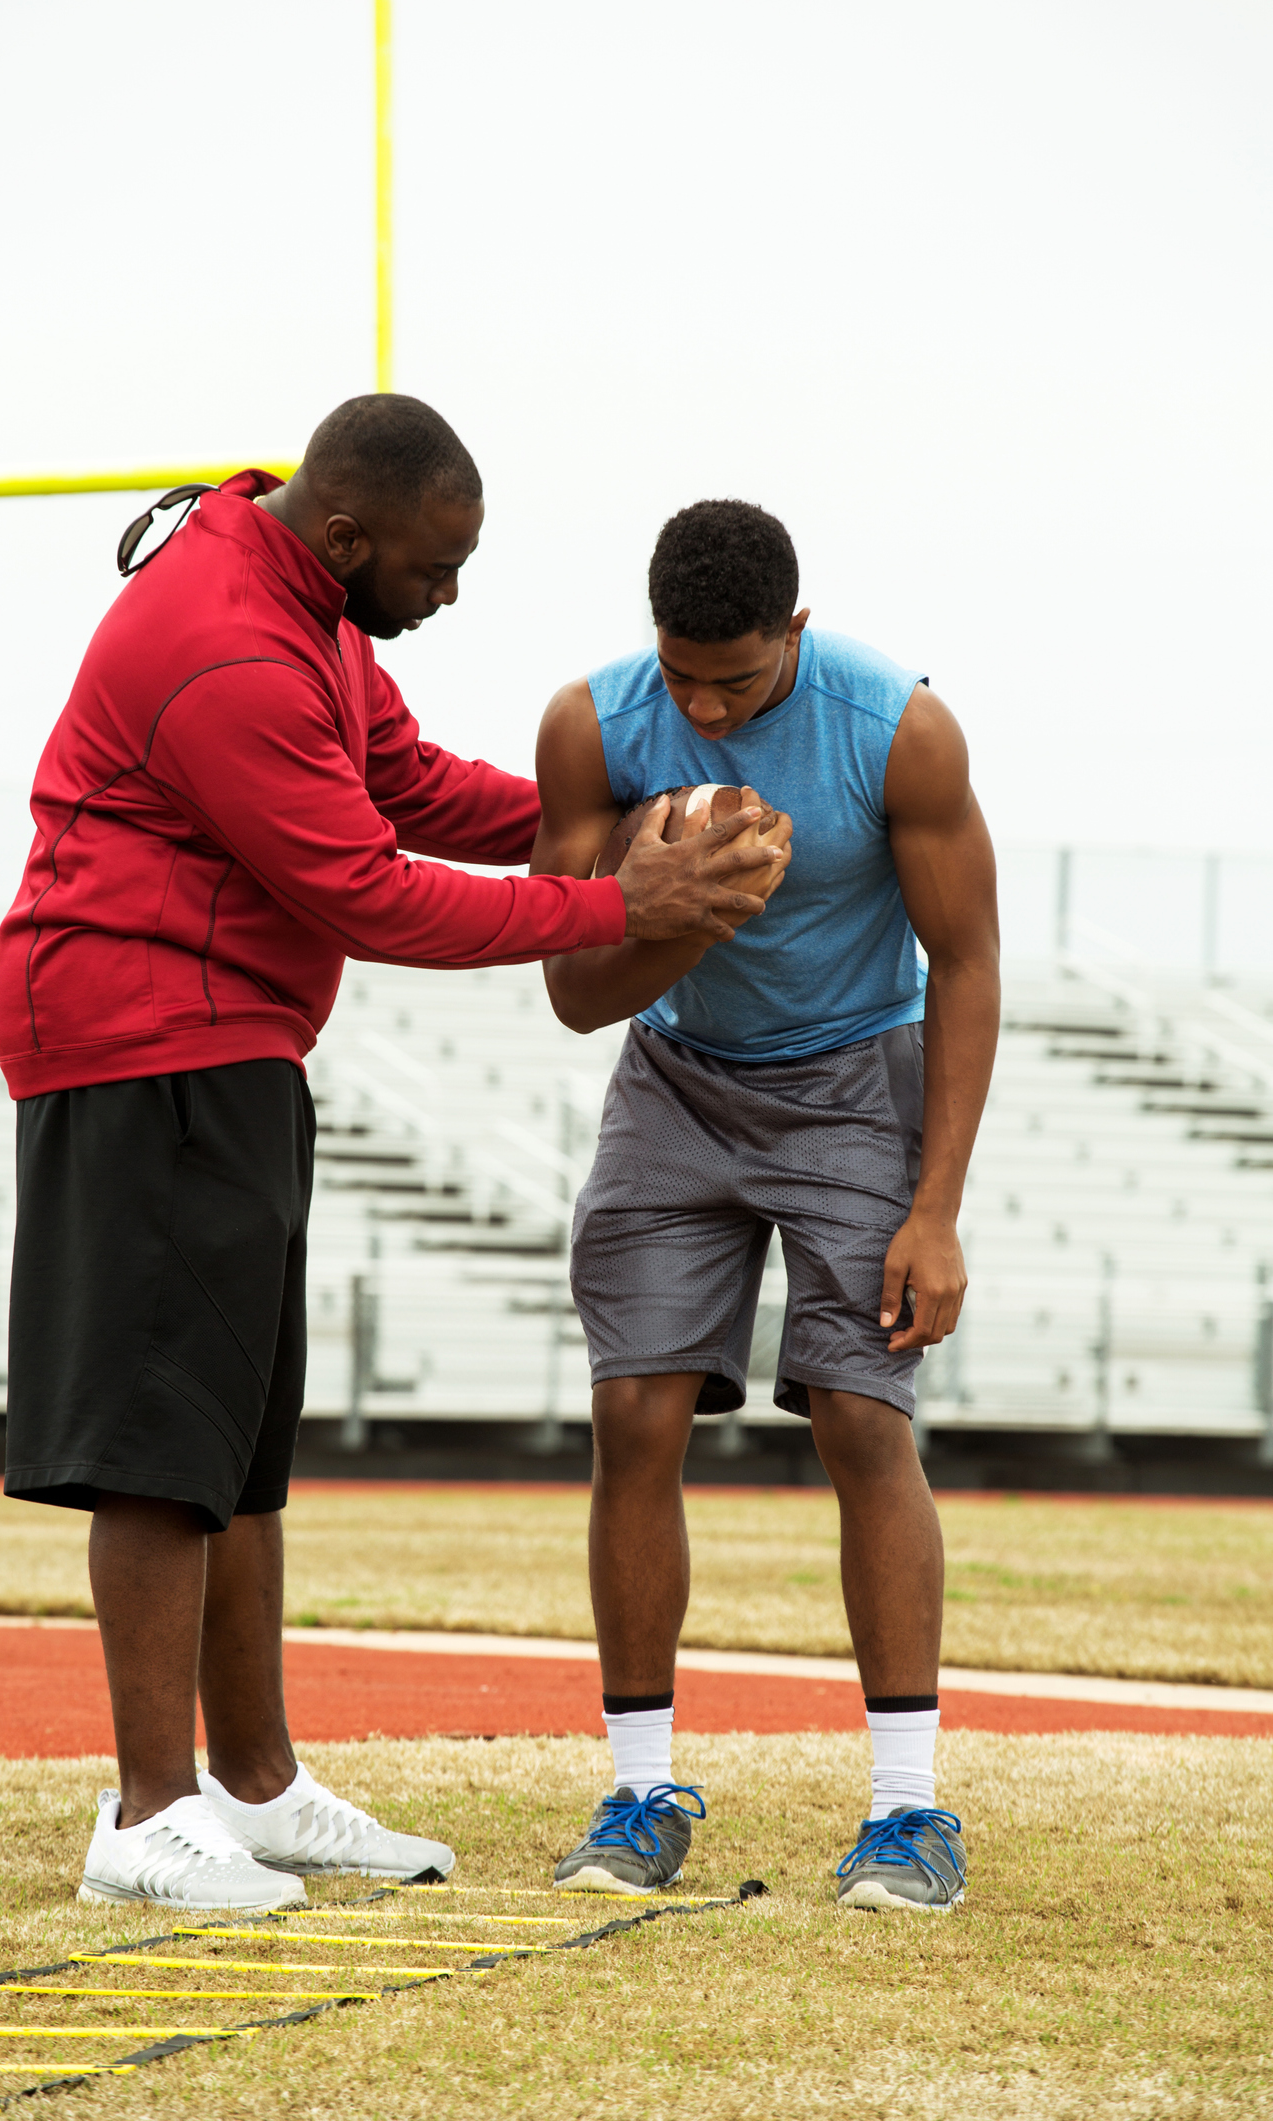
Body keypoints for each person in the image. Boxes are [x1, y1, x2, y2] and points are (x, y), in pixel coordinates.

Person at [0, 402, 788, 1912]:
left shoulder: (304, 600)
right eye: (437, 566)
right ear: (349, 537)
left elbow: (405, 781)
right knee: (163, 1454)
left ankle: (257, 1782)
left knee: (240, 1453)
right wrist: (627, 905)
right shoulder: (228, 644)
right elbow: (371, 891)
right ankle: (146, 1814)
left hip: (226, 1037)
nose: (450, 593)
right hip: (142, 1032)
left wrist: (608, 822)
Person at [531, 498, 999, 1909]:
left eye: (734, 678)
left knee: (862, 1415)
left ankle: (907, 1815)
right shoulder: (591, 724)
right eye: (681, 673)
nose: (703, 705)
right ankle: (636, 1791)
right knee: (633, 1412)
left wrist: (936, 1208)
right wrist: (669, 911)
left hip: (857, 1072)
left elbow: (966, 963)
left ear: (794, 632)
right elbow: (570, 991)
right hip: (673, 1072)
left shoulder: (895, 726)